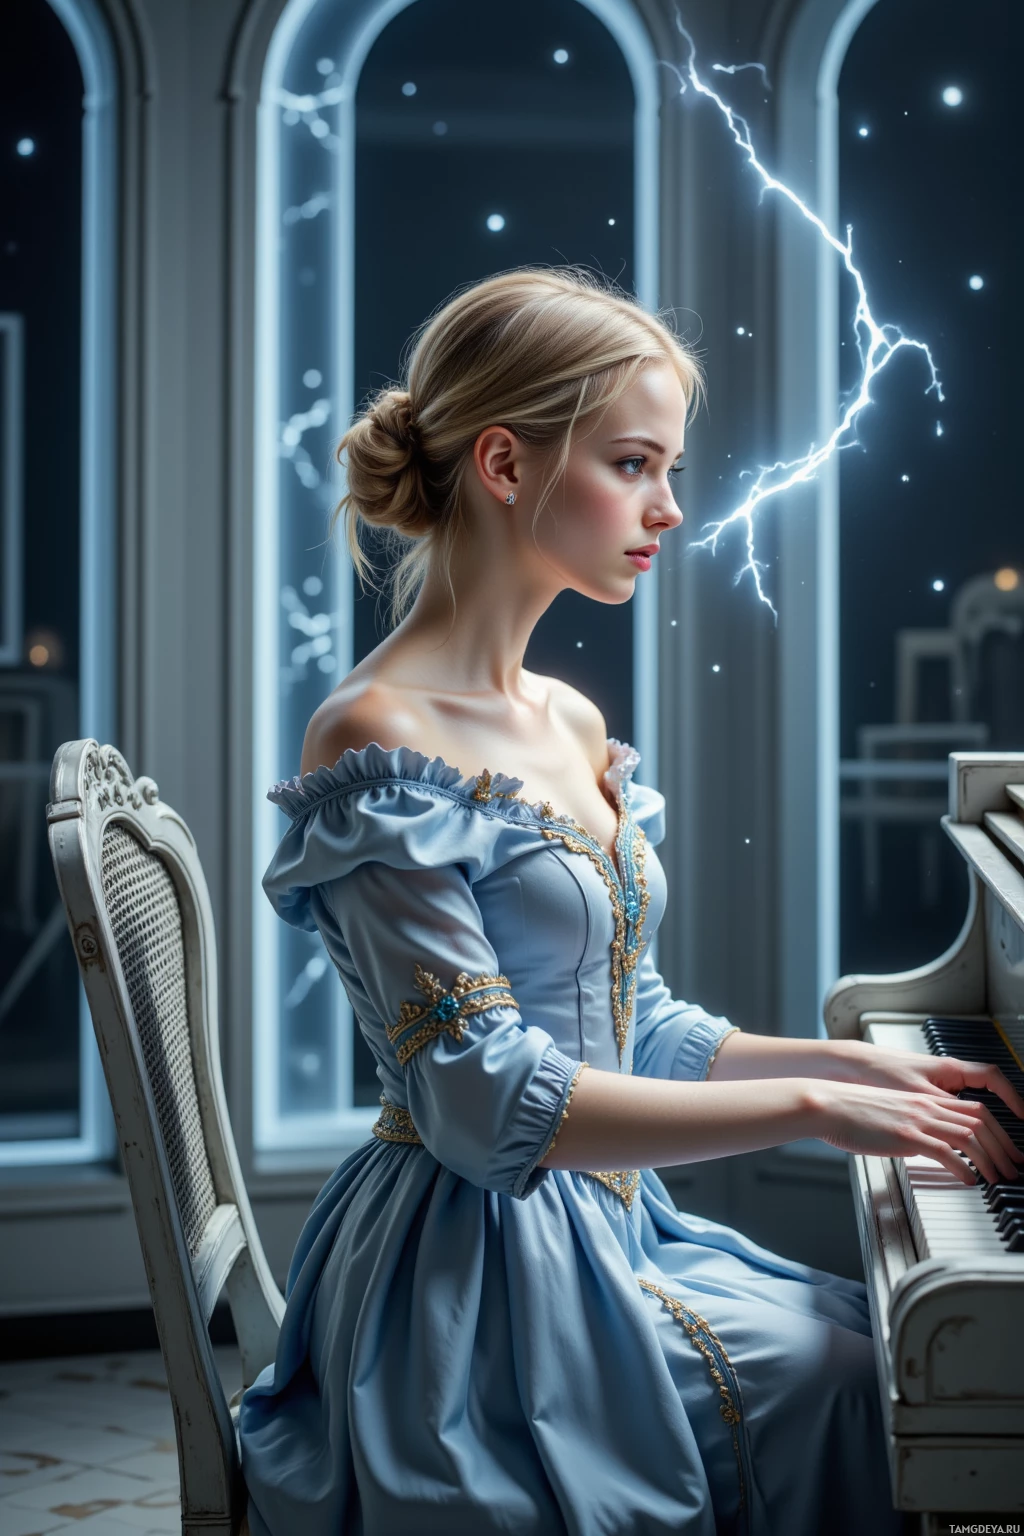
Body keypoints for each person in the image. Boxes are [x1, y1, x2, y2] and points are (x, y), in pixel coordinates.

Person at [239, 267, 1024, 1536]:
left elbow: (627, 1019)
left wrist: (853, 1066)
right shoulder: (371, 740)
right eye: (634, 463)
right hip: (471, 1271)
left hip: (610, 1224)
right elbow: (486, 1101)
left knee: (865, 1340)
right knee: (852, 1378)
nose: (669, 506)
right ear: (504, 463)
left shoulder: (570, 718)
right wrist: (817, 1108)